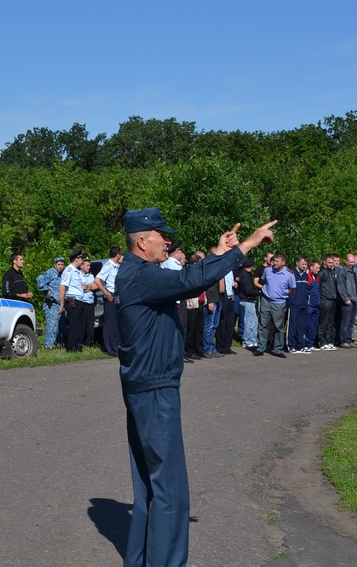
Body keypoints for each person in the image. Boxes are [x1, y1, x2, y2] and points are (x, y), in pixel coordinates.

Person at [114, 207, 276, 567]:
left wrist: (218, 253)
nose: (167, 241)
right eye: (161, 236)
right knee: (169, 490)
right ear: (142, 241)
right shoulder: (141, 276)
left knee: (150, 488)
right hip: (155, 389)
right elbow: (191, 280)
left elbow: (188, 276)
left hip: (145, 385)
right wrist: (246, 245)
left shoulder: (135, 273)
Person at [255, 253, 296, 357]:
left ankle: (278, 349)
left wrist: (283, 294)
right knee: (263, 324)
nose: (275, 263)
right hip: (266, 300)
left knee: (279, 327)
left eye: (277, 261)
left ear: (283, 262)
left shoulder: (289, 274)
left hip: (279, 302)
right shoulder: (267, 270)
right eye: (274, 261)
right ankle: (260, 347)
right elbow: (262, 281)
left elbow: (292, 289)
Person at [94, 245, 124, 356]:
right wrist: (105, 292)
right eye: (120, 254)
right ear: (117, 255)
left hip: (117, 296)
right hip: (110, 296)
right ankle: (109, 348)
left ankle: (116, 346)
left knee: (116, 323)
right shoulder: (108, 266)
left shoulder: (115, 266)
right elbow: (97, 280)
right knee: (110, 323)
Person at [58, 249, 87, 353]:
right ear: (76, 259)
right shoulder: (69, 271)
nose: (82, 261)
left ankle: (78, 347)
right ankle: (71, 348)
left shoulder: (77, 272)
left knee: (80, 325)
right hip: (72, 302)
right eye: (80, 259)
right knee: (73, 325)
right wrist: (62, 304)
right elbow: (62, 288)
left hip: (80, 301)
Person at [36, 256, 66, 349]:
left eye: (62, 264)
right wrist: (47, 290)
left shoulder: (63, 274)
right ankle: (48, 346)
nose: (60, 266)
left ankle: (59, 343)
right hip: (51, 304)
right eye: (58, 264)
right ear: (55, 264)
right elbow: (39, 279)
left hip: (60, 304)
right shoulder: (51, 272)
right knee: (51, 326)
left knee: (61, 326)